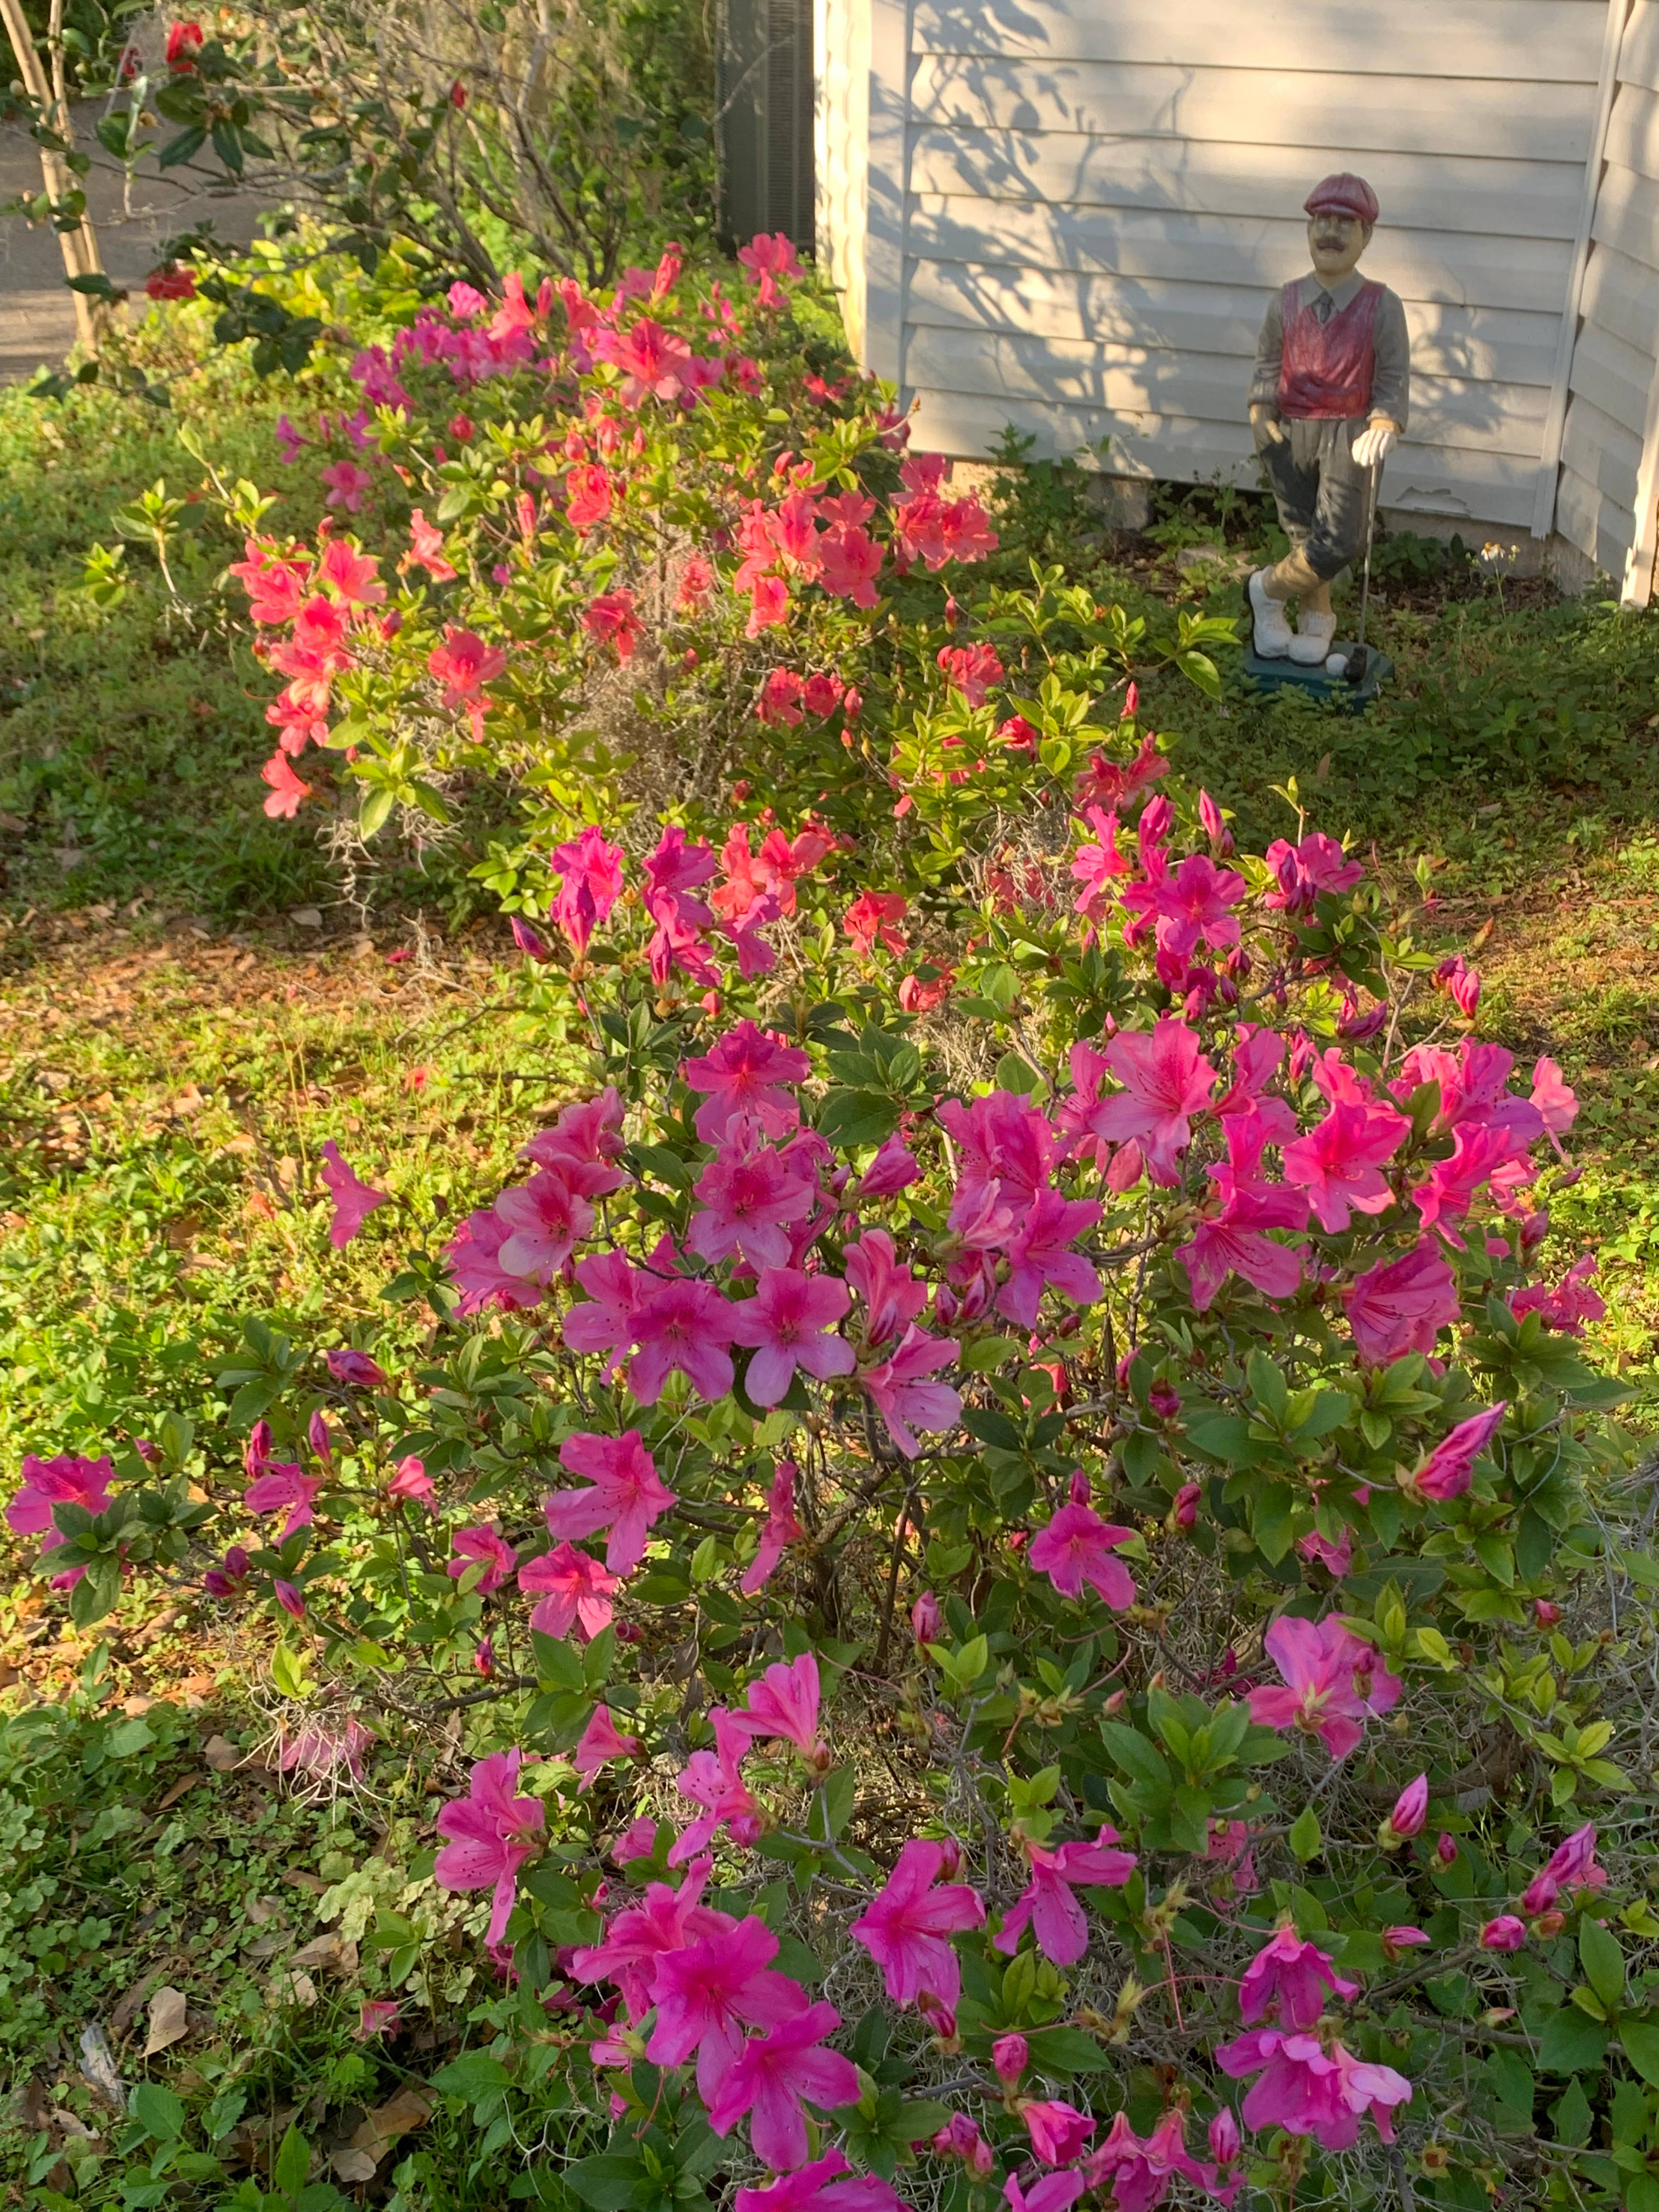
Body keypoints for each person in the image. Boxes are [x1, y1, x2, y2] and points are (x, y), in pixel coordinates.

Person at [1246, 173, 1410, 665]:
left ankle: (1265, 590)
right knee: (1302, 532)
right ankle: (1315, 624)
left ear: (1366, 235)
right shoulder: (1286, 300)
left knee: (1340, 540)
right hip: (1289, 429)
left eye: (1345, 223)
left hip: (1348, 430)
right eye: (1321, 221)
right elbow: (1267, 365)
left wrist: (1385, 423)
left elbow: (1394, 375)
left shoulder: (1382, 305)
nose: (1330, 233)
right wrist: (1260, 411)